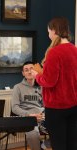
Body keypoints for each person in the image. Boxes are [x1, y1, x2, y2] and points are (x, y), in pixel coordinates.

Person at [31, 17, 77, 150]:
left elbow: (49, 81)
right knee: (72, 144)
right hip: (74, 106)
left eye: (49, 31)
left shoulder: (54, 52)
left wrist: (37, 75)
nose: (48, 34)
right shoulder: (74, 50)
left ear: (54, 31)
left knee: (59, 145)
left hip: (56, 108)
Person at [11, 61, 45, 150]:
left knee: (60, 129)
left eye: (31, 69)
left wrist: (43, 114)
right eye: (26, 70)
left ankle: (44, 145)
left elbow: (46, 105)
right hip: (27, 118)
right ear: (23, 73)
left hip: (42, 117)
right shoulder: (17, 87)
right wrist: (29, 115)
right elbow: (14, 108)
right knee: (33, 134)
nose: (29, 72)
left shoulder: (42, 86)